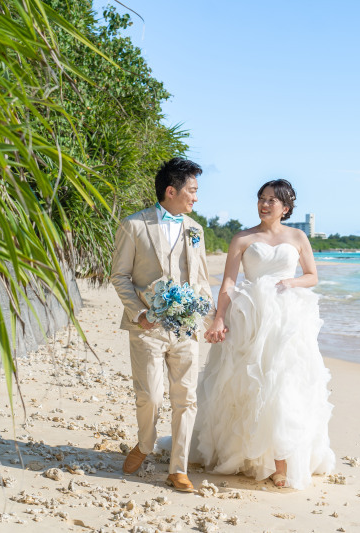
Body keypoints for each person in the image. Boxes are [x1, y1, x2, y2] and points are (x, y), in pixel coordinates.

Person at [194, 179, 335, 489]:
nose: (264, 204)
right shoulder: (243, 238)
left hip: (286, 318)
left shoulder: (297, 236)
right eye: (261, 198)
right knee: (244, 383)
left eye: (272, 200)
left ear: (286, 207)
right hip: (249, 316)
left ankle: (280, 462)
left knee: (283, 382)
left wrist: (289, 283)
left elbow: (312, 276)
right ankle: (247, 454)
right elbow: (228, 282)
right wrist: (219, 319)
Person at [110, 157, 212, 492]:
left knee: (187, 398)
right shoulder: (134, 225)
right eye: (191, 190)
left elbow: (201, 280)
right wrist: (139, 313)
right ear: (171, 191)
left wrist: (208, 318)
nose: (196, 197)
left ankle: (178, 469)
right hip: (147, 326)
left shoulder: (195, 230)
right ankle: (144, 444)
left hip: (186, 328)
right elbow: (119, 276)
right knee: (151, 396)